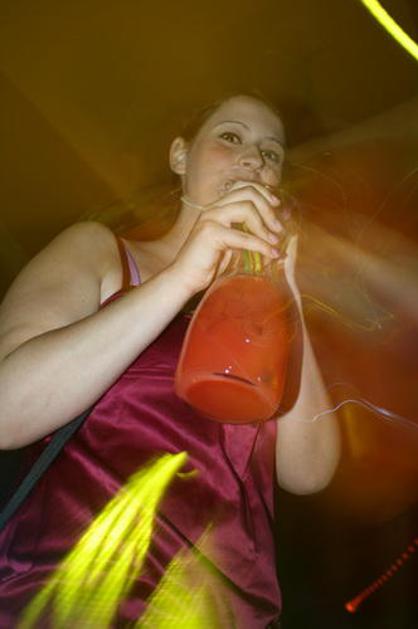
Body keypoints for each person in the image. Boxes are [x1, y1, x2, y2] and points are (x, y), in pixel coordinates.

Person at [0, 94, 340, 627]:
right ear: (181, 156)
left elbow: (309, 472)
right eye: (231, 137)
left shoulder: (265, 311)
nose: (254, 159)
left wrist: (288, 289)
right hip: (73, 596)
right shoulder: (101, 251)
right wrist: (182, 276)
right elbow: (7, 411)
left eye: (271, 153)